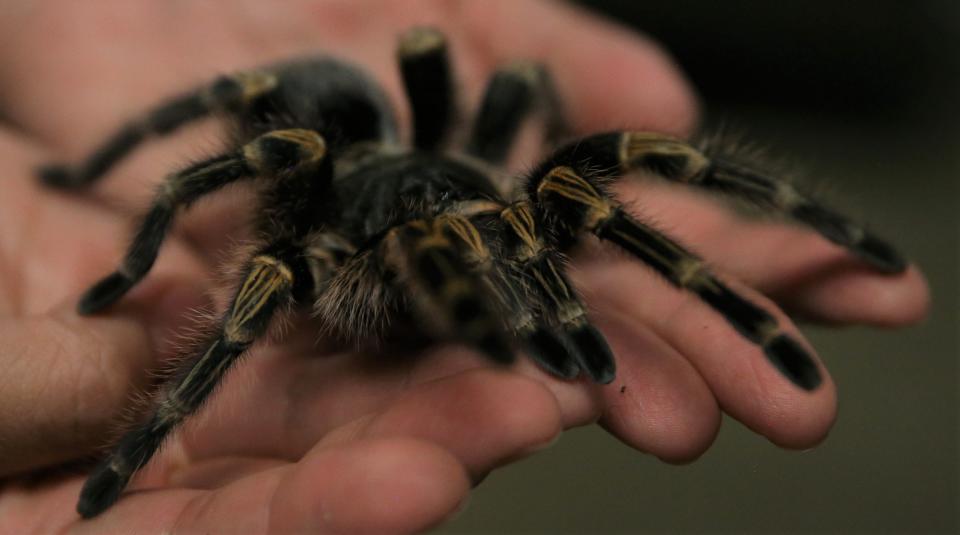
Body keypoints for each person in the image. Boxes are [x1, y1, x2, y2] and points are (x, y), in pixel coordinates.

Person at [0, 0, 929, 532]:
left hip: (443, 169)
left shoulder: (527, 195)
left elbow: (539, 128)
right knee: (271, 153)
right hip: (341, 201)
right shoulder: (304, 229)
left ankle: (814, 238)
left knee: (601, 158)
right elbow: (243, 196)